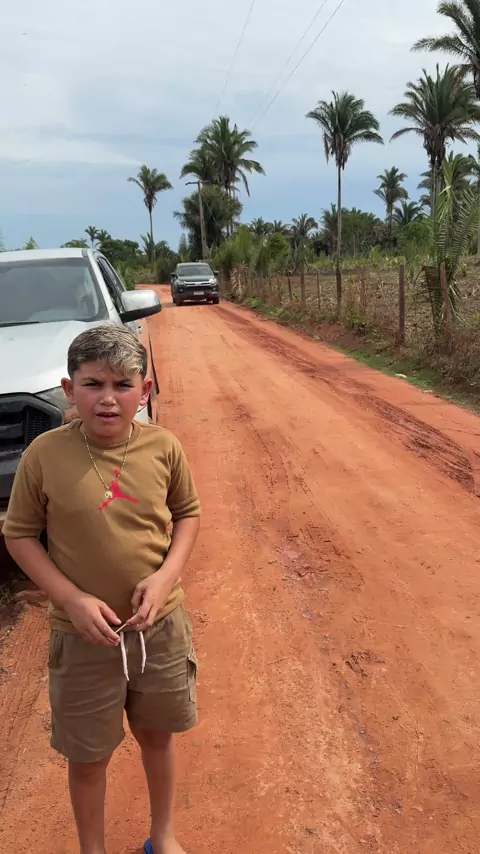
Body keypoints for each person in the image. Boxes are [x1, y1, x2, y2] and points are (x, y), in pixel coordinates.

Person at [4, 325, 201, 854]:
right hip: (83, 637)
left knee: (157, 736)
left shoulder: (163, 446)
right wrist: (70, 598)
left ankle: (163, 836)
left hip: (158, 628)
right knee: (88, 757)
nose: (108, 398)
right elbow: (19, 534)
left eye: (122, 384)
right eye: (93, 384)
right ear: (70, 390)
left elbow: (187, 514)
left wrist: (164, 578)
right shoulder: (45, 454)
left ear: (145, 389)